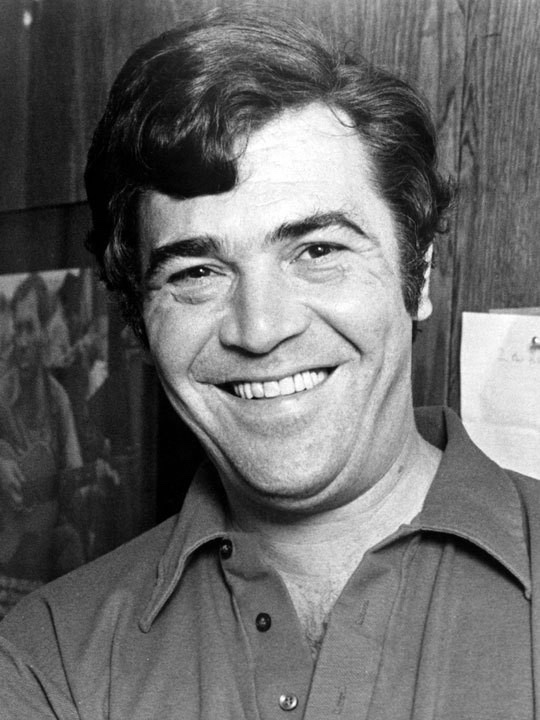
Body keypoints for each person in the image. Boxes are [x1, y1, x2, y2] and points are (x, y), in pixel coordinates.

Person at [0, 9, 538, 719]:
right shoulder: (49, 660)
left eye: (318, 251)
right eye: (196, 272)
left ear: (421, 274)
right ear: (141, 320)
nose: (260, 329)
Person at [0, 274, 85, 614]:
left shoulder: (58, 400)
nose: (21, 341)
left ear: (45, 333)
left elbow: (75, 470)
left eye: (29, 329)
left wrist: (90, 484)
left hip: (38, 548)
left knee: (71, 544)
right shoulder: (0, 391)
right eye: (17, 329)